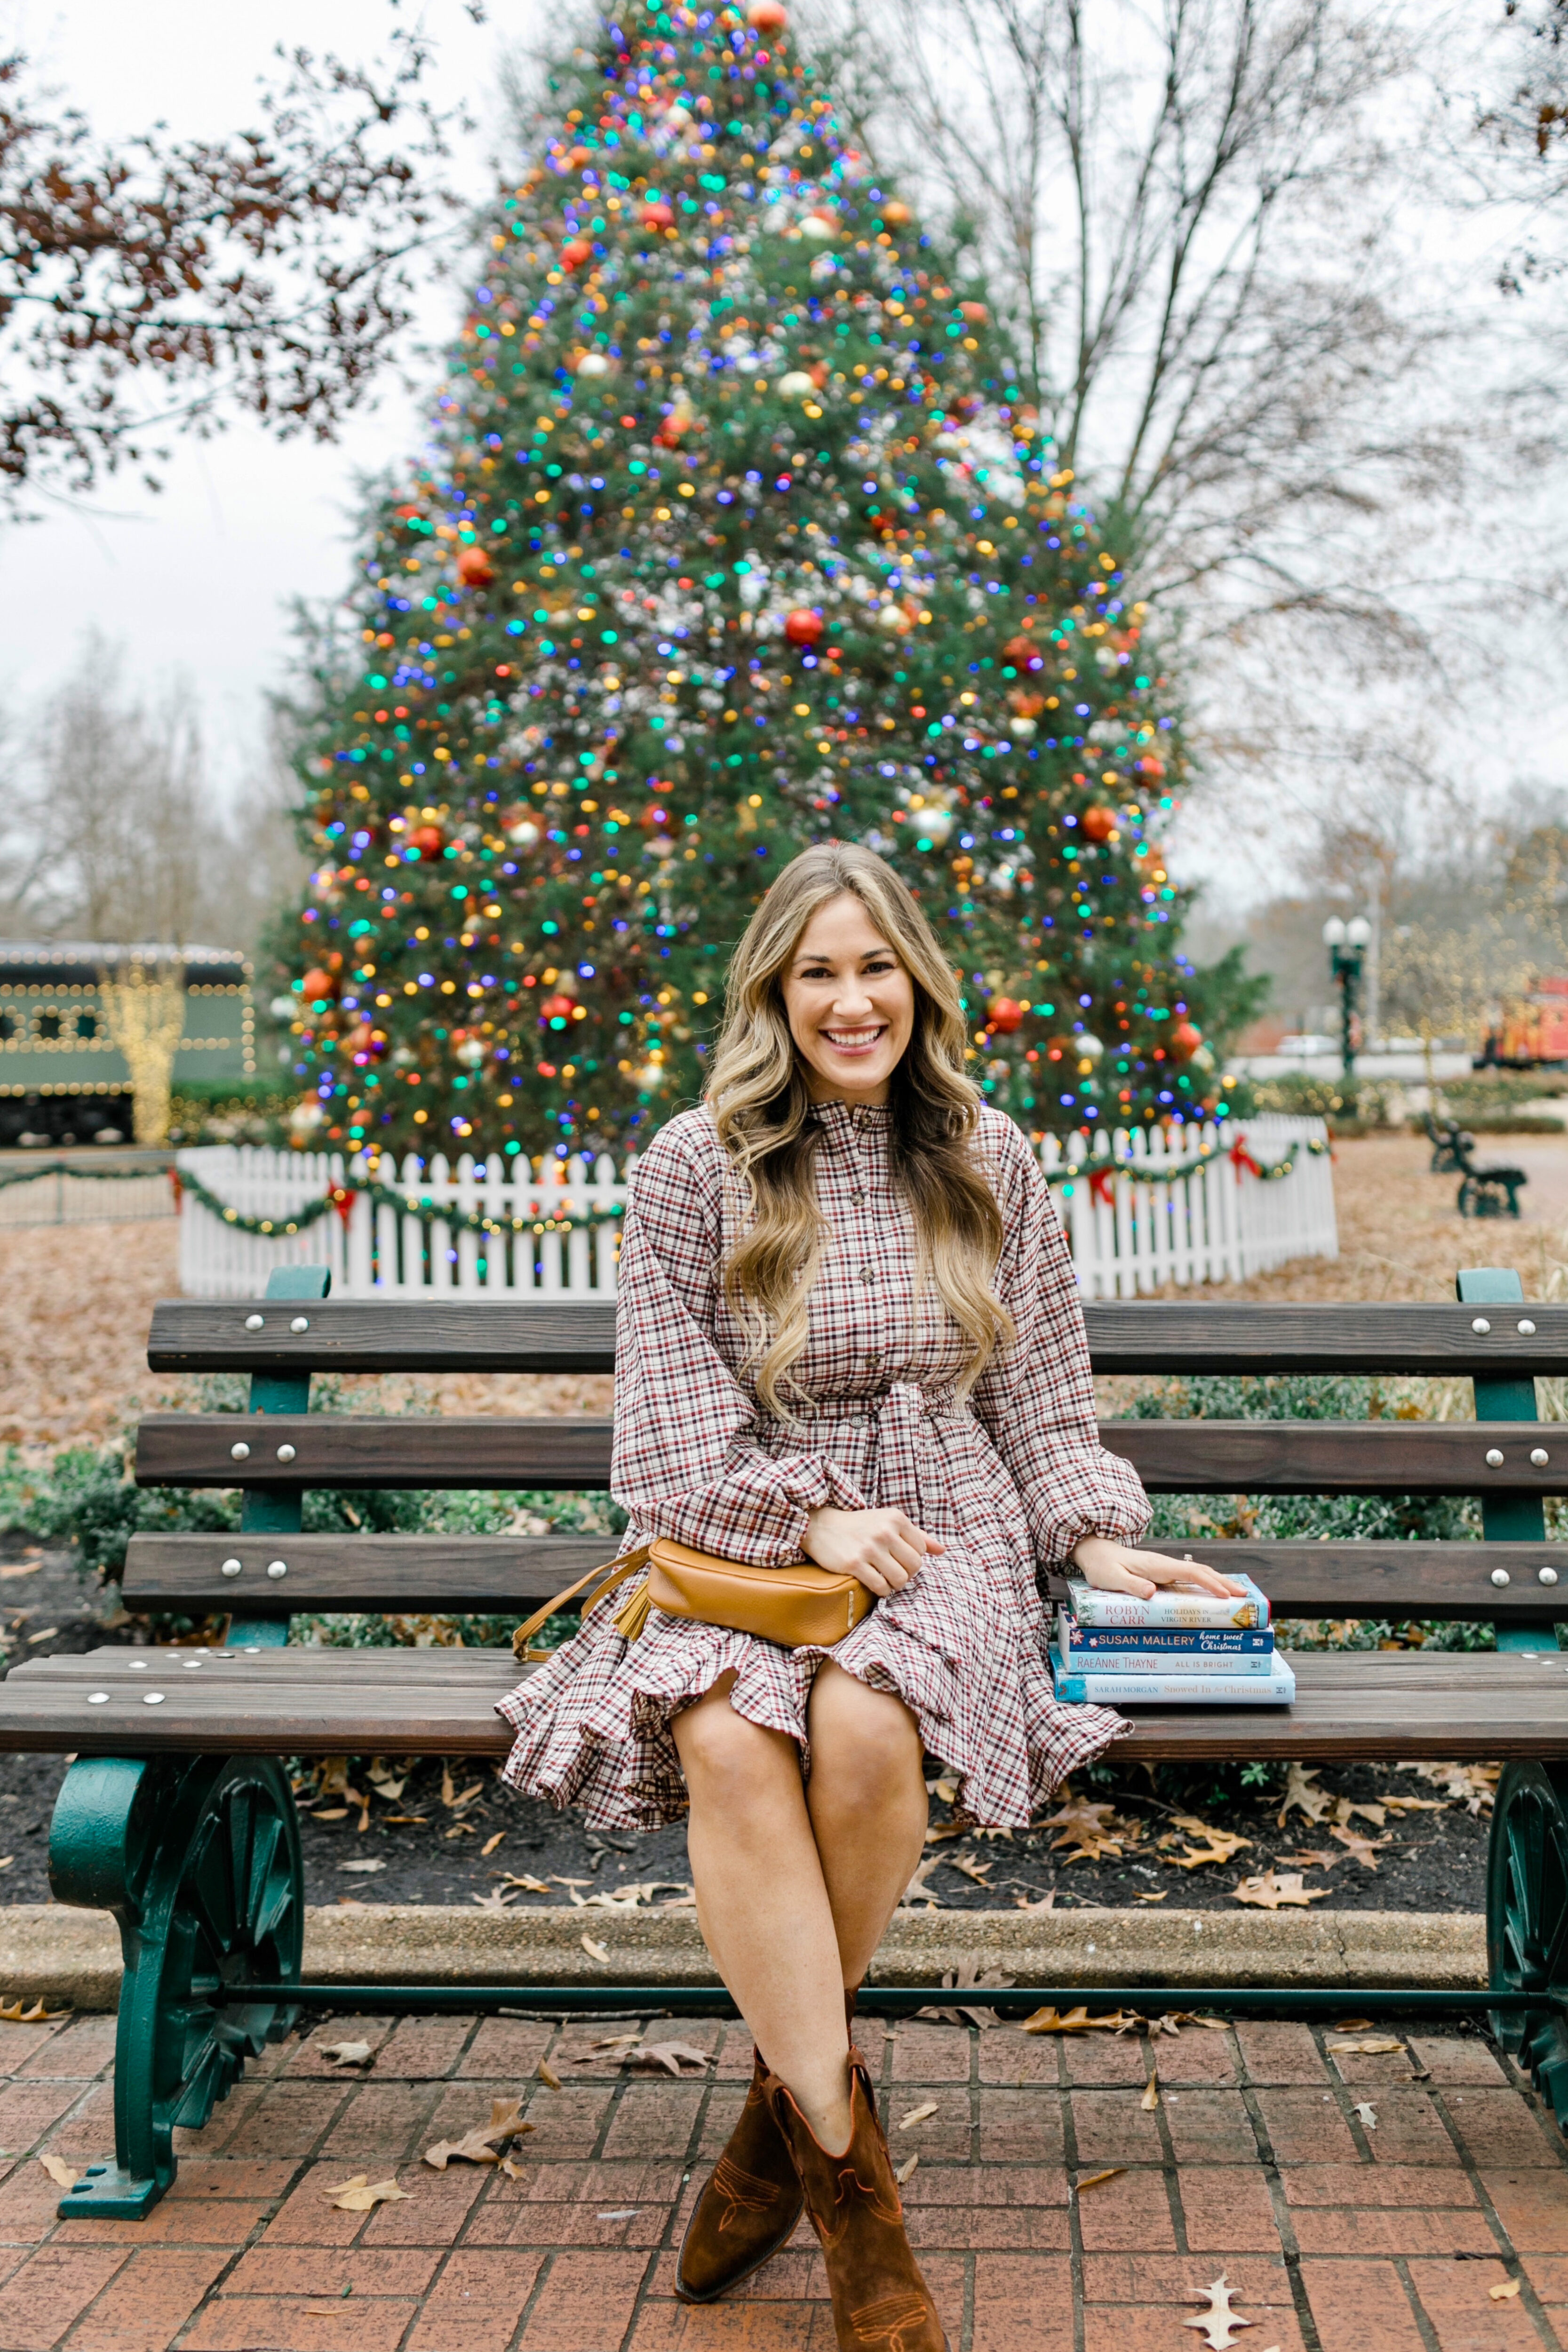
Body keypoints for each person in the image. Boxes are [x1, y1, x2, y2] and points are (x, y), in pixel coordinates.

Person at [496, 842, 1240, 2352]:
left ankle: (782, 2127)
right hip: (745, 1539)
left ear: (919, 982)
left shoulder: (987, 1153)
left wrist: (1093, 1539)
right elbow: (665, 1435)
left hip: (946, 1535)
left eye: (876, 967)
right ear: (775, 988)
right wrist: (816, 1518)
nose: (852, 1001)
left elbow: (1039, 1392)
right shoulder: (696, 1166)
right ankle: (856, 2195)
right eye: (819, 971)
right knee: (721, 1736)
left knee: (865, 1737)